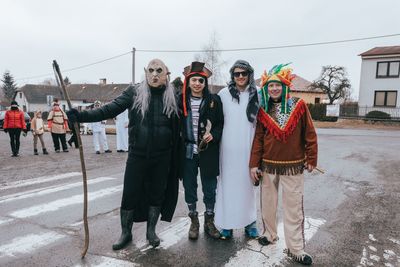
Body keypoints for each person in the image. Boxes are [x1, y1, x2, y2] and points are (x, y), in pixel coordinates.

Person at [67, 59, 181, 250]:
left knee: (157, 194)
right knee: (130, 193)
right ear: (145, 72)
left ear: (166, 74)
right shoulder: (134, 92)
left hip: (163, 156)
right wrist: (81, 116)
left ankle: (151, 231)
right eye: (151, 70)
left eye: (158, 71)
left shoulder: (174, 96)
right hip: (138, 154)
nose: (154, 74)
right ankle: (125, 232)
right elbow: (108, 109)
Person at [249, 64, 318, 265]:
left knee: (293, 207)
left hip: (293, 166)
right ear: (265, 88)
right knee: (268, 204)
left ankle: (296, 248)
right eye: (270, 86)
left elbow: (310, 133)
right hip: (268, 165)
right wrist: (254, 164)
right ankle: (270, 234)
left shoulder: (299, 105)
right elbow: (258, 139)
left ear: (285, 86)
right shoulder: (263, 110)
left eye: (277, 85)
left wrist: (311, 157)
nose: (274, 89)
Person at [215, 60, 260, 239]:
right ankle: (227, 224)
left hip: (249, 149)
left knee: (248, 187)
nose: (240, 77)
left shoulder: (257, 95)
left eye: (244, 73)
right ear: (232, 76)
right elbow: (217, 122)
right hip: (227, 150)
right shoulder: (223, 94)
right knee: (227, 187)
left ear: (250, 74)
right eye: (237, 74)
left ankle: (250, 223)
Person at [179, 61, 223, 240]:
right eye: (194, 80)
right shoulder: (179, 100)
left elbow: (220, 124)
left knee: (210, 188)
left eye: (201, 81)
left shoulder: (214, 101)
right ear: (188, 82)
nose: (197, 84)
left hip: (208, 151)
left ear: (205, 84)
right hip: (188, 151)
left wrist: (214, 135)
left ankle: (209, 221)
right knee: (189, 187)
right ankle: (194, 221)